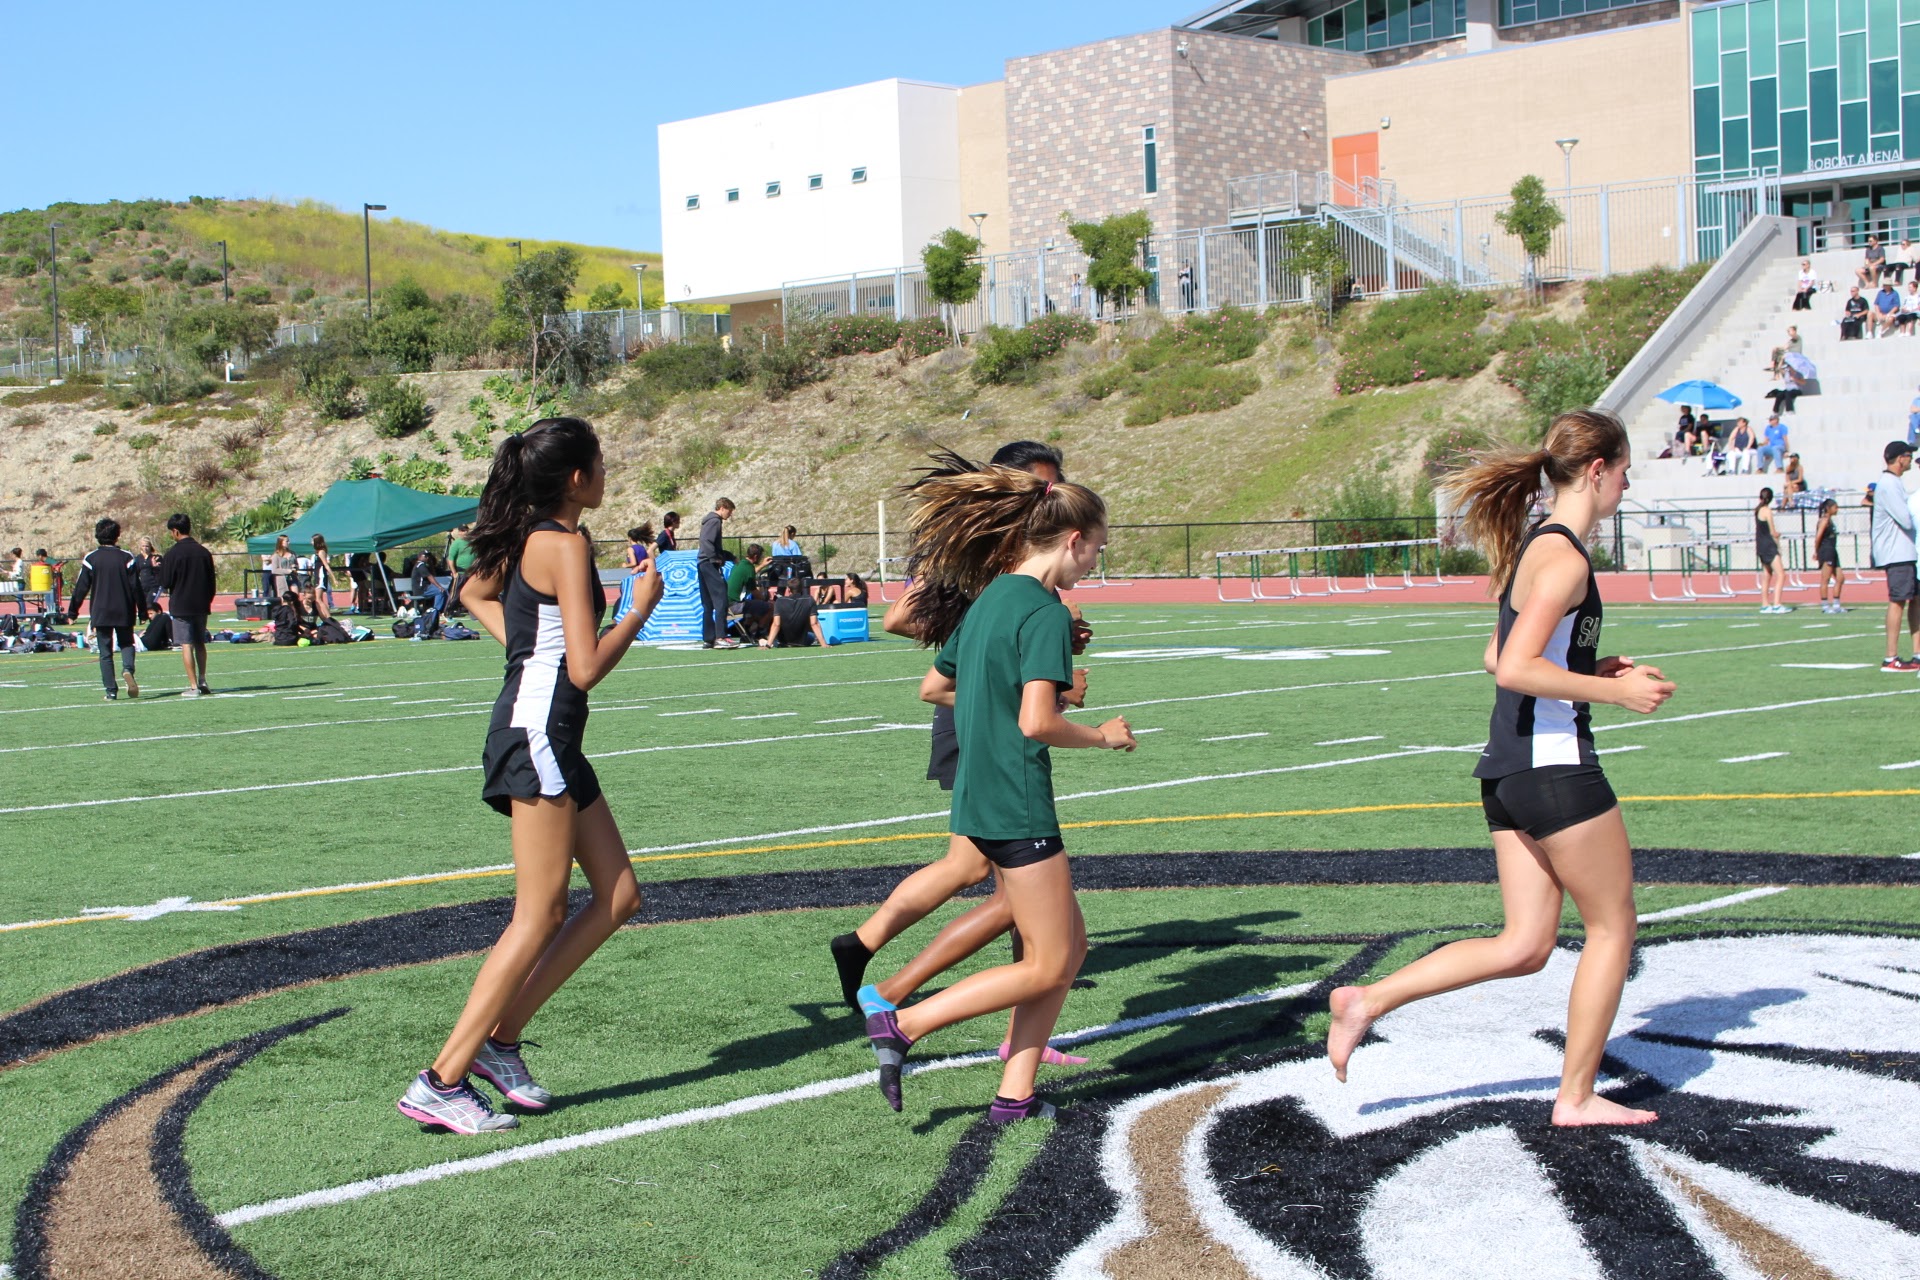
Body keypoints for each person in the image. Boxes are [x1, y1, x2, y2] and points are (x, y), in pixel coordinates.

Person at [1326, 408, 1676, 1127]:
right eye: (1626, 471)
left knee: (1524, 945)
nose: (1627, 486)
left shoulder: (1537, 548)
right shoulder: (1566, 556)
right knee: (1612, 929)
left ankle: (1367, 999)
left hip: (1509, 770)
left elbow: (1500, 656)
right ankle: (1575, 1098)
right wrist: (1614, 690)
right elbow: (1514, 666)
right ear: (1599, 470)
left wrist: (1587, 666)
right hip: (1555, 771)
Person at [397, 416, 663, 1136]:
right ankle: (441, 1079)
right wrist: (638, 613)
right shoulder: (566, 543)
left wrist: (526, 657)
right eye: (601, 464)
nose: (607, 473)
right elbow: (583, 668)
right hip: (540, 735)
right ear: (576, 478)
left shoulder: (524, 535)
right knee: (538, 913)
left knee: (618, 894)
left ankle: (500, 1042)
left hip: (544, 731)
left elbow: (474, 597)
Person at [860, 457, 1135, 1123]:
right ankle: (905, 1024)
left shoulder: (989, 601)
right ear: (1072, 541)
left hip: (977, 797)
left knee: (1068, 947)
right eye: (1096, 550)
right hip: (1016, 799)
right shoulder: (1044, 612)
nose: (1093, 564)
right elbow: (1038, 720)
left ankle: (1016, 1094)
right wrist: (1102, 734)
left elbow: (941, 683)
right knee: (1048, 963)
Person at [67, 517, 147, 701]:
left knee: (105, 651)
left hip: (101, 610)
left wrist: (73, 611)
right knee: (127, 643)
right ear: (117, 536)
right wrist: (142, 610)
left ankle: (111, 690)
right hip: (124, 608)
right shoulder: (126, 557)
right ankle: (128, 669)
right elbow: (136, 586)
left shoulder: (91, 558)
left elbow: (81, 587)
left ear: (97, 536)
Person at [1871, 440, 1919, 672]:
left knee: (1914, 601)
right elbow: (1906, 519)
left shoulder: (1894, 483)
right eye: (1908, 456)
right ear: (1900, 458)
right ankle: (1891, 657)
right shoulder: (1889, 484)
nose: (1910, 460)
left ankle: (1916, 653)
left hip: (1905, 552)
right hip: (1896, 552)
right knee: (1898, 601)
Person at [158, 512, 216, 697]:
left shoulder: (172, 554)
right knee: (200, 643)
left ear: (175, 531)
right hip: (201, 603)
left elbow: (165, 582)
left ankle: (193, 686)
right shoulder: (203, 552)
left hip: (181, 604)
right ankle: (202, 679)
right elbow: (211, 582)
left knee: (186, 644)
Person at [697, 497, 738, 650]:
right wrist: (715, 559)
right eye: (730, 510)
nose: (730, 514)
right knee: (721, 598)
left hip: (702, 563)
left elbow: (709, 545)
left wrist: (729, 556)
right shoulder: (715, 521)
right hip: (709, 564)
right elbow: (707, 542)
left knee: (707, 603)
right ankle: (720, 636)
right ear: (722, 507)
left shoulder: (708, 521)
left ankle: (709, 638)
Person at [760, 579, 826, 648]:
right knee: (812, 636)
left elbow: (776, 624)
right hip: (802, 641)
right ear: (802, 588)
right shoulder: (809, 600)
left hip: (784, 641)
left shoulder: (779, 601)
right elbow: (814, 623)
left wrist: (768, 646)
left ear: (788, 589)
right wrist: (823, 644)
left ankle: (770, 642)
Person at [1755, 487, 1790, 614]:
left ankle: (1765, 604)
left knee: (1767, 575)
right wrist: (1778, 539)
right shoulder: (1767, 511)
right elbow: (1772, 532)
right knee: (1781, 574)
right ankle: (1777, 604)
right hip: (1769, 546)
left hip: (1761, 546)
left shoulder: (1758, 510)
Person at [1814, 497, 1846, 615]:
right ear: (1829, 508)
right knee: (1825, 579)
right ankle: (1825, 605)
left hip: (1833, 551)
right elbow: (1818, 538)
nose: (1837, 509)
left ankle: (1837, 605)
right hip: (1826, 551)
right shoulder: (1824, 521)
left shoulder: (1830, 520)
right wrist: (1816, 552)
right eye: (1835, 507)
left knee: (1840, 578)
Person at [410, 551, 448, 640]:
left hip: (425, 588)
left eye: (428, 556)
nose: (427, 558)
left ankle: (439, 611)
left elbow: (432, 574)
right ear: (420, 556)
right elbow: (430, 577)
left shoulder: (424, 565)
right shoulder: (420, 565)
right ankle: (436, 611)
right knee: (440, 591)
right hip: (421, 590)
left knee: (444, 592)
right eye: (425, 556)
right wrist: (439, 586)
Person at [446, 525, 475, 617]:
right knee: (455, 594)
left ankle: (472, 612)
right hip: (460, 572)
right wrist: (454, 572)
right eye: (461, 531)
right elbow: (450, 559)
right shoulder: (457, 543)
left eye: (465, 530)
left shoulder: (472, 542)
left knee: (471, 593)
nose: (463, 533)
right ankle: (448, 611)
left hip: (472, 572)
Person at [309, 534, 335, 623]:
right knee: (318, 600)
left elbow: (326, 565)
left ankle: (329, 618)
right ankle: (324, 619)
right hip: (316, 576)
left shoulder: (321, 552)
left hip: (320, 576)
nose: (311, 542)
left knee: (318, 599)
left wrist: (333, 578)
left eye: (312, 540)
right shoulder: (317, 552)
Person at [133, 536, 163, 613]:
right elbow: (135, 572)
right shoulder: (138, 558)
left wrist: (155, 566)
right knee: (142, 605)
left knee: (150, 604)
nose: (145, 548)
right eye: (143, 546)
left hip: (154, 585)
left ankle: (157, 618)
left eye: (147, 546)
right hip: (143, 586)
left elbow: (162, 571)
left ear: (150, 546)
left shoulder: (156, 557)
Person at [270, 534, 296, 598]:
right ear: (281, 542)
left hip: (292, 578)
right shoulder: (276, 555)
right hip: (282, 579)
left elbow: (296, 564)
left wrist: (295, 567)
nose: (289, 543)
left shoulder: (292, 553)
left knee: (295, 596)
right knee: (285, 598)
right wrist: (287, 571)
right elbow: (274, 570)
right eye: (287, 541)